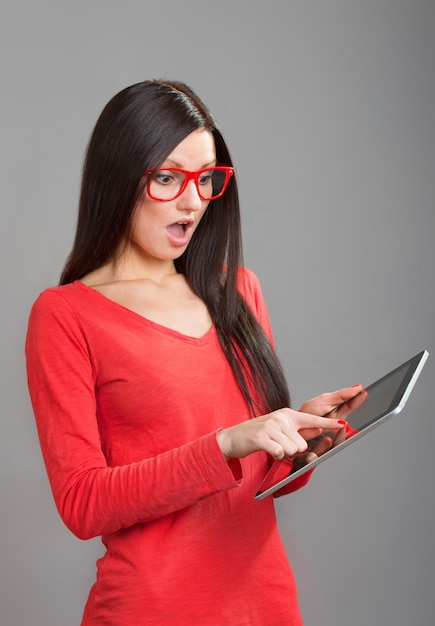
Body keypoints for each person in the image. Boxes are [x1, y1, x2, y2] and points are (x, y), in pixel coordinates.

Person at [25, 80, 361, 626]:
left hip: (265, 604)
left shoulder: (239, 291)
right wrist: (226, 442)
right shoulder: (66, 315)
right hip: (150, 609)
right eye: (166, 178)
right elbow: (83, 504)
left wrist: (298, 444)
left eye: (206, 178)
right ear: (117, 178)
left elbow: (256, 484)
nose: (193, 201)